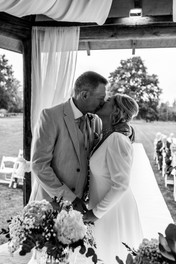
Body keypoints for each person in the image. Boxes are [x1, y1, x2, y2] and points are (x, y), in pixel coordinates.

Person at [29, 71, 108, 213]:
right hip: (50, 204)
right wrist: (69, 198)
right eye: (100, 98)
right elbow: (39, 165)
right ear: (84, 95)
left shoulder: (95, 120)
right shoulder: (50, 116)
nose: (103, 103)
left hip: (81, 207)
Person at [83, 93, 143, 263]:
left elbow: (121, 184)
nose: (104, 101)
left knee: (112, 255)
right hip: (103, 207)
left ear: (116, 110)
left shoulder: (117, 139)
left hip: (112, 210)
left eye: (109, 101)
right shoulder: (107, 135)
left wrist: (95, 213)